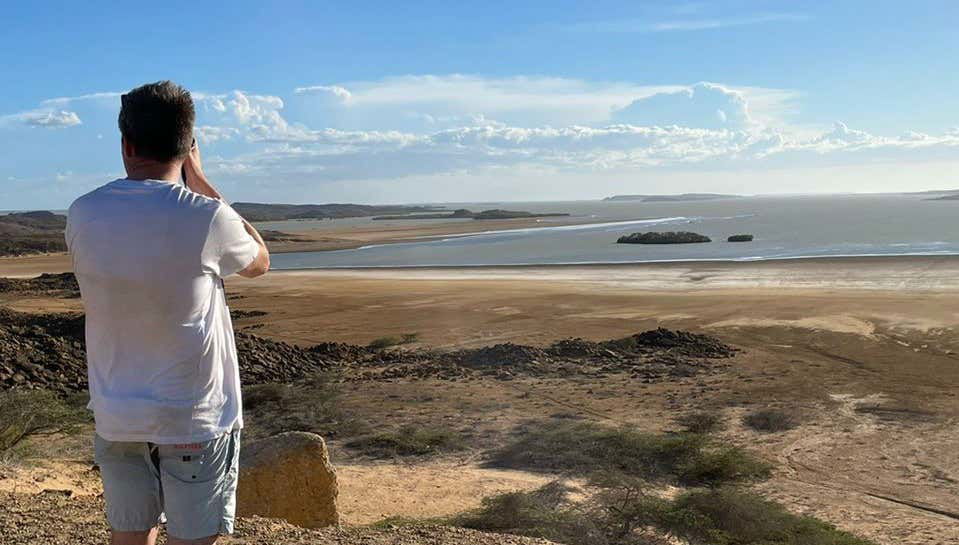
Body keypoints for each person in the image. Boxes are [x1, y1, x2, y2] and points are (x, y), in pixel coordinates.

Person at [66, 80, 270, 545]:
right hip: (193, 416)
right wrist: (198, 177)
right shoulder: (206, 216)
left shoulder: (82, 213)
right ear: (187, 145)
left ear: (126, 144)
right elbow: (259, 261)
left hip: (117, 414)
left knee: (128, 538)